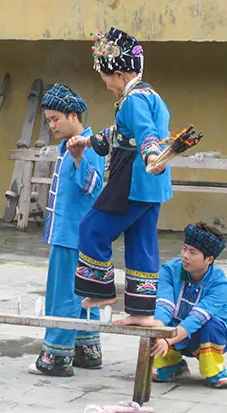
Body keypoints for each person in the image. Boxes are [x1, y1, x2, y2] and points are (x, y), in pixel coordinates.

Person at [67, 27, 172, 327]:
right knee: (141, 242)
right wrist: (88, 142)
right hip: (152, 185)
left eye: (107, 81)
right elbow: (119, 134)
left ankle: (100, 291)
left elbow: (145, 133)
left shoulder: (133, 101)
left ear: (121, 74)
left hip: (133, 179)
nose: (108, 87)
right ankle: (141, 313)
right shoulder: (152, 96)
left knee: (92, 227)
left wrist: (151, 154)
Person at [29, 84, 106, 377]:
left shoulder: (89, 144)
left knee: (63, 295)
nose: (51, 125)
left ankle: (56, 358)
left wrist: (77, 157)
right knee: (85, 293)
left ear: (73, 115)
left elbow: (92, 186)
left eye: (55, 119)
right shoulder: (67, 145)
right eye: (48, 120)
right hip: (74, 233)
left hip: (73, 234)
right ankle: (86, 349)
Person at [151, 222, 227, 389]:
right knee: (154, 320)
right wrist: (155, 330)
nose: (185, 256)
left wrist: (168, 340)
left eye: (192, 252)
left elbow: (197, 318)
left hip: (203, 333)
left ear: (209, 259)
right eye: (184, 249)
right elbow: (164, 305)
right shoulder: (168, 270)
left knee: (211, 326)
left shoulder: (220, 284)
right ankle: (171, 365)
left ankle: (214, 371)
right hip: (174, 329)